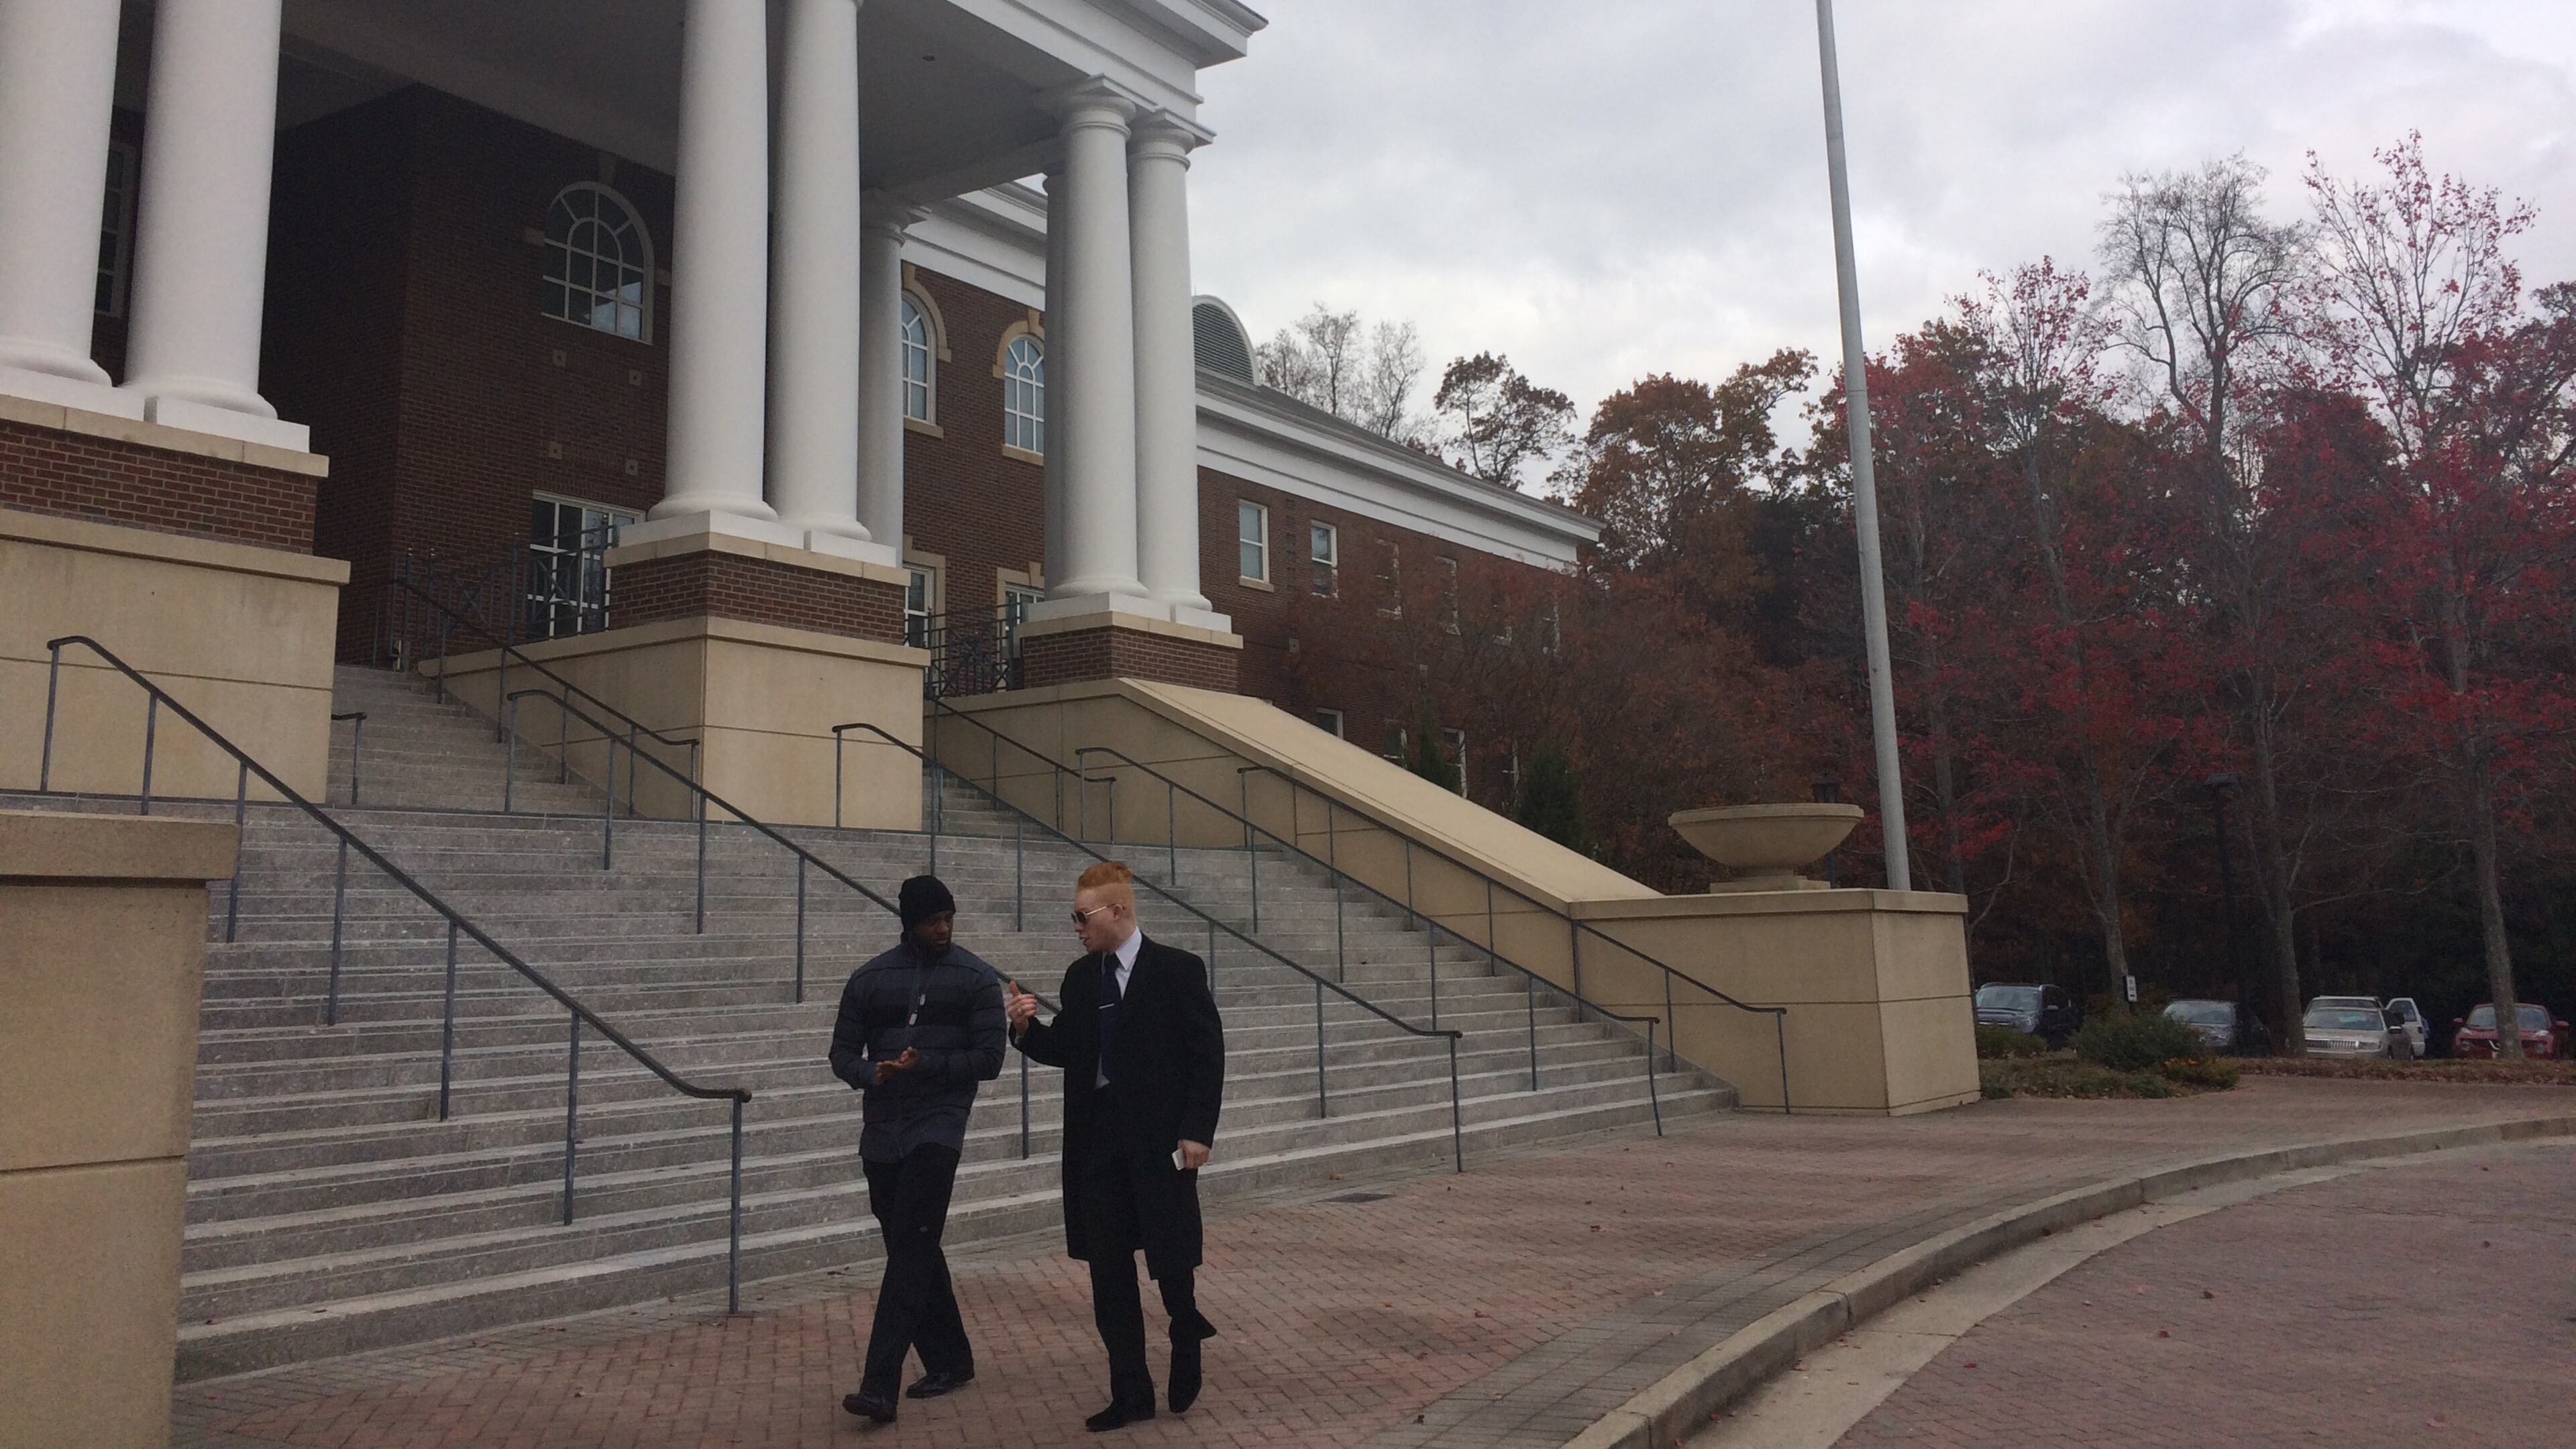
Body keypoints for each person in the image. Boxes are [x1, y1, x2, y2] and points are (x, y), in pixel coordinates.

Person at [1005, 860, 1225, 1432]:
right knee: (1108, 1270)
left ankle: (1184, 1329)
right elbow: (1070, 1052)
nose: (1076, 928)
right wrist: (1026, 1030)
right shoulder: (1081, 979)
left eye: (1083, 917)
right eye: (1073, 918)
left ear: (1118, 911)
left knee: (1170, 1255)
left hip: (1159, 1140)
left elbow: (1207, 1055)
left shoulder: (1177, 970)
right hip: (1096, 1142)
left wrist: (1197, 1130)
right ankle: (1130, 1391)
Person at [827, 875, 1006, 1425]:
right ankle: (951, 1358)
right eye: (933, 921)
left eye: (950, 917)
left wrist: (924, 1065)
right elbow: (840, 1053)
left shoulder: (976, 978)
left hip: (939, 1126)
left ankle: (878, 1385)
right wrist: (870, 1073)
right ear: (909, 923)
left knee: (909, 1246)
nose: (944, 928)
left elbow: (989, 1060)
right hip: (883, 1129)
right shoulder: (870, 978)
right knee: (912, 1241)